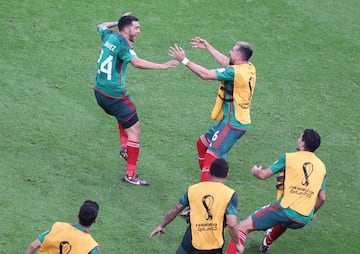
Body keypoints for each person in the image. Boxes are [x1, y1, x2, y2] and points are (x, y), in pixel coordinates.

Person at [94, 13, 179, 186]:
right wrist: (163, 66)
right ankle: (131, 174)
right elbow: (137, 63)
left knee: (125, 118)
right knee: (135, 130)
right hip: (114, 96)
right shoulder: (124, 45)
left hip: (99, 93)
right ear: (126, 29)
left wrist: (117, 21)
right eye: (136, 28)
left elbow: (101, 25)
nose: (139, 31)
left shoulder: (109, 36)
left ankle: (125, 146)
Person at [168, 37, 256, 182]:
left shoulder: (235, 73)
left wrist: (184, 60)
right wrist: (208, 46)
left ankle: (206, 189)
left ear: (239, 56)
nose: (229, 52)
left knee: (212, 155)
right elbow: (225, 63)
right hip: (232, 120)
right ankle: (208, 179)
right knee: (202, 144)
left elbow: (206, 75)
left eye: (232, 50)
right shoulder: (248, 67)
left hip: (233, 123)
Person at [225, 129, 327, 254]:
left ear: (303, 143)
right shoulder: (322, 167)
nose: (298, 139)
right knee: (284, 221)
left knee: (242, 227)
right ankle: (267, 241)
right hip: (303, 219)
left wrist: (255, 171)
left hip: (286, 210)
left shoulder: (289, 158)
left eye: (300, 137)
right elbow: (322, 198)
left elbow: (263, 175)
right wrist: (312, 212)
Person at [149, 158, 241, 254]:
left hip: (190, 241)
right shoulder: (230, 194)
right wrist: (237, 243)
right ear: (227, 175)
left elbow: (175, 209)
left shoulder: (193, 189)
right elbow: (232, 224)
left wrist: (162, 225)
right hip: (212, 246)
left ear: (209, 173)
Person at [25, 200, 101, 254]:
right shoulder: (92, 246)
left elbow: (33, 246)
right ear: (94, 221)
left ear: (78, 215)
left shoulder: (58, 226)